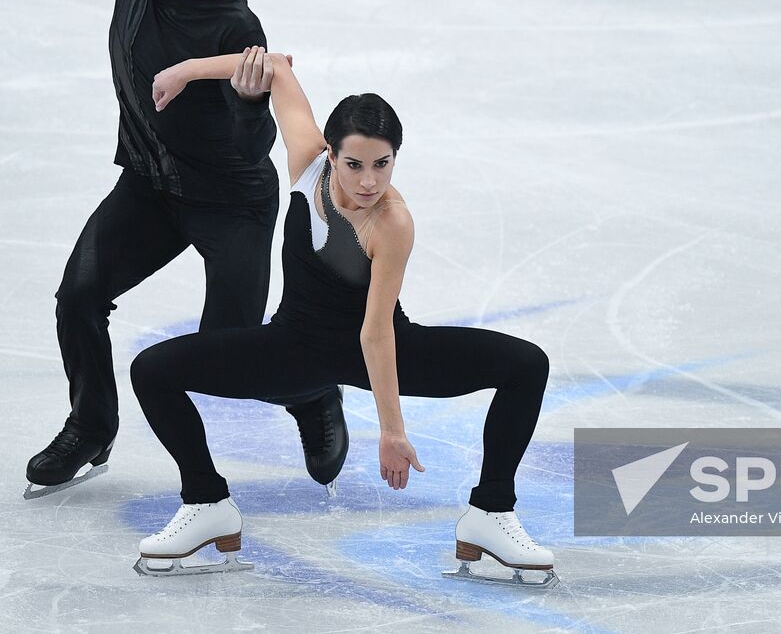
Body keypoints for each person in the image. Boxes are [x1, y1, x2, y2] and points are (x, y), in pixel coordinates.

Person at [24, 0, 346, 500]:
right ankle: (91, 426)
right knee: (79, 296)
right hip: (151, 186)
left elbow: (248, 147)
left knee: (231, 358)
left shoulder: (234, 24)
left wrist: (244, 104)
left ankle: (312, 391)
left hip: (230, 200)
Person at [127, 48, 556, 586]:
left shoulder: (392, 223)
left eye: (383, 164)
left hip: (380, 347)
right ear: (330, 154)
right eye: (355, 164)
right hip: (293, 347)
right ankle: (207, 503)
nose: (369, 181)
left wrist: (391, 430)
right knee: (152, 371)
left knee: (526, 365)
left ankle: (490, 513)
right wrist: (183, 70)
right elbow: (278, 69)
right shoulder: (308, 166)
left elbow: (376, 332)